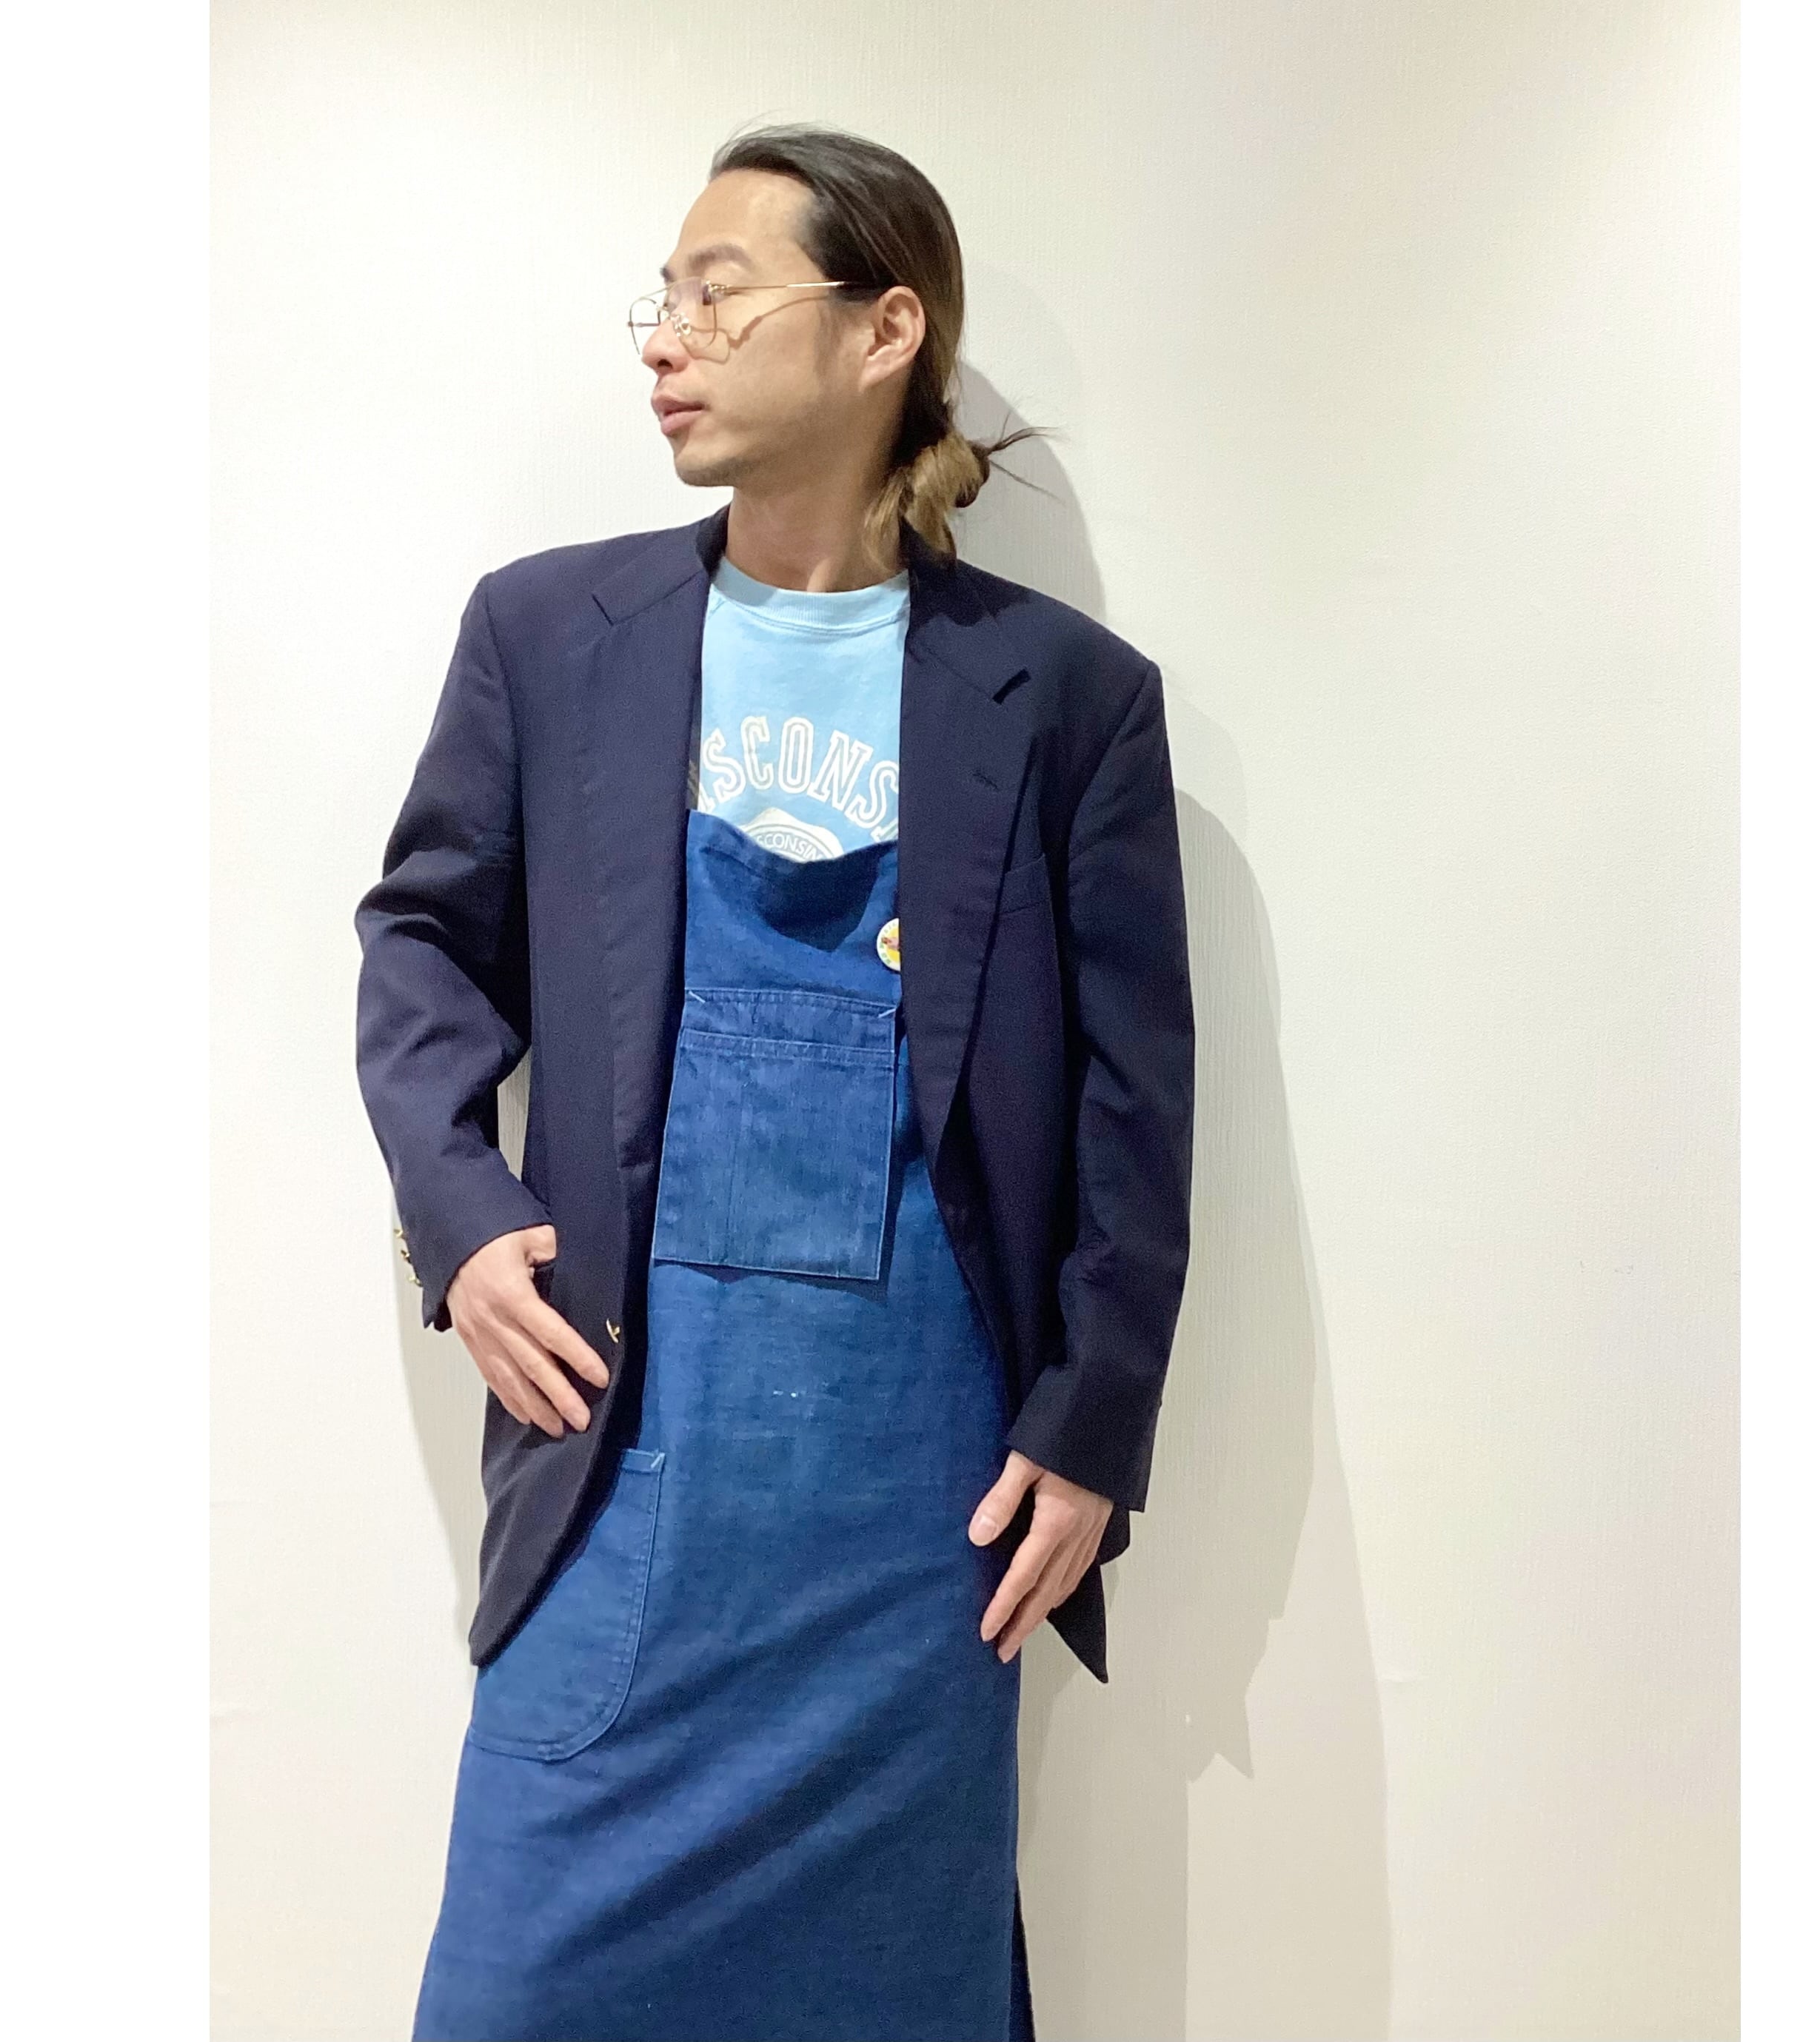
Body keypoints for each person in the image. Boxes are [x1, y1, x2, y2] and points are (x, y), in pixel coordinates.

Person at [354, 121, 1194, 2042]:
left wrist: (1094, 1424)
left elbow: (1138, 1103)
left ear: (885, 330)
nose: (668, 339)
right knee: (516, 1995)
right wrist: (463, 1221)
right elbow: (421, 947)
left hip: (917, 1513)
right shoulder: (550, 636)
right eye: (662, 300)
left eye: (719, 294)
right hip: (621, 1463)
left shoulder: (1067, 699)